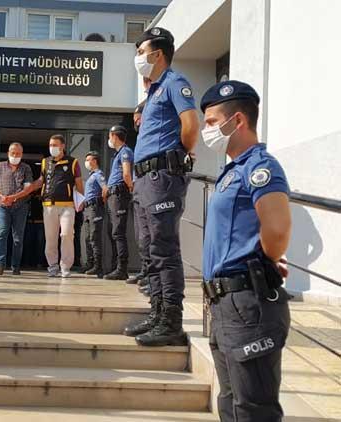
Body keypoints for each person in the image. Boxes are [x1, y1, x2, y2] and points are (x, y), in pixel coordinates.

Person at [201, 80, 292, 422]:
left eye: (211, 122)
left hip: (246, 305)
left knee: (253, 409)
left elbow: (279, 228)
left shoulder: (259, 167)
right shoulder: (231, 171)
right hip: (225, 304)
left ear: (237, 120)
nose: (208, 130)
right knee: (231, 403)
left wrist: (265, 260)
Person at [122, 27, 199, 347]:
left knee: (164, 249)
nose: (139, 57)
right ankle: (157, 312)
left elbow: (191, 125)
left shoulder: (174, 82)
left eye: (142, 51)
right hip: (144, 181)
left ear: (159, 54)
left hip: (161, 177)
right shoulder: (153, 90)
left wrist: (177, 156)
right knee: (149, 249)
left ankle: (170, 321)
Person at [30, 134, 84, 278]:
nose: (52, 148)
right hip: (48, 206)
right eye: (50, 145)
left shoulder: (73, 162)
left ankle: (65, 267)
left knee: (66, 234)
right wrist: (25, 190)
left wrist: (81, 201)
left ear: (62, 146)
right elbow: (41, 181)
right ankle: (53, 266)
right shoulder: (45, 162)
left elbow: (79, 183)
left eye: (55, 145)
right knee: (51, 237)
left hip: (67, 206)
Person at [0, 142, 34, 275]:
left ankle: (15, 266)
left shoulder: (26, 168)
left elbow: (28, 188)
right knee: (2, 233)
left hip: (20, 207)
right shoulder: (0, 166)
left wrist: (14, 197)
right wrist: (2, 196)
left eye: (18, 153)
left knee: (17, 238)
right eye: (13, 153)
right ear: (8, 153)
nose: (15, 155)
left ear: (22, 154)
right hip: (3, 206)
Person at [103, 125, 134, 280]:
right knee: (113, 232)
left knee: (118, 233)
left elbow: (127, 174)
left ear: (114, 136)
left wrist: (130, 188)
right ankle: (116, 266)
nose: (109, 139)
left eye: (110, 136)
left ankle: (122, 269)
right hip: (113, 196)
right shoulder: (119, 153)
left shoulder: (125, 152)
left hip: (119, 195)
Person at [130, 100, 151, 289]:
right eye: (135, 121)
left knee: (149, 236)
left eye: (139, 119)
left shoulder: (153, 136)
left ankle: (152, 275)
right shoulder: (141, 139)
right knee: (140, 235)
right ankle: (145, 270)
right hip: (138, 189)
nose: (137, 123)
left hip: (149, 188)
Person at [81, 151, 106, 278]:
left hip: (95, 208)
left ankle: (98, 266)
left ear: (95, 161)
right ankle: (90, 263)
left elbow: (105, 189)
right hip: (87, 209)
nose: (86, 162)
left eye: (88, 159)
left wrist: (101, 203)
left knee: (94, 237)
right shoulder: (91, 175)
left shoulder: (98, 174)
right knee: (87, 237)